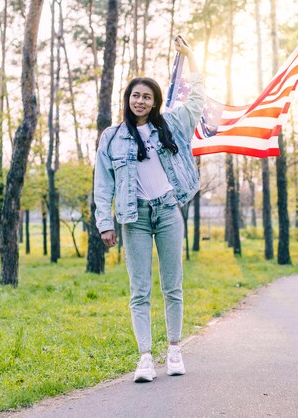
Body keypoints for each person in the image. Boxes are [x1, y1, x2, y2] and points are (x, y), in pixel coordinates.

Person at [94, 36, 205, 383]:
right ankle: (145, 357)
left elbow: (198, 99)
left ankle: (174, 349)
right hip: (134, 218)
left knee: (173, 286)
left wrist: (191, 58)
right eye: (135, 95)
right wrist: (104, 223)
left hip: (168, 211)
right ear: (127, 100)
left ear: (155, 101)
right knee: (139, 290)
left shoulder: (170, 124)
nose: (140, 100)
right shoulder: (111, 138)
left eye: (147, 96)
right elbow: (102, 183)